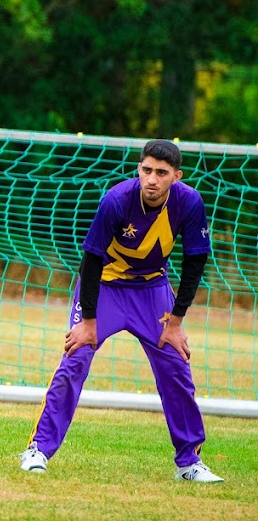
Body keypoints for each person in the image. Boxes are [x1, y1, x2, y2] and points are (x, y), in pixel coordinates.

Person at [21, 140, 221, 482]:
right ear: (138, 169)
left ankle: (189, 463)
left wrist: (175, 322)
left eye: (161, 173)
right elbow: (91, 259)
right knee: (75, 359)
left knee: (176, 366)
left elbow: (195, 262)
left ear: (176, 176)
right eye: (147, 170)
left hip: (152, 291)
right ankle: (38, 449)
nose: (152, 180)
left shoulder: (189, 202)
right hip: (105, 288)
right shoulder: (116, 200)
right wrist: (88, 322)